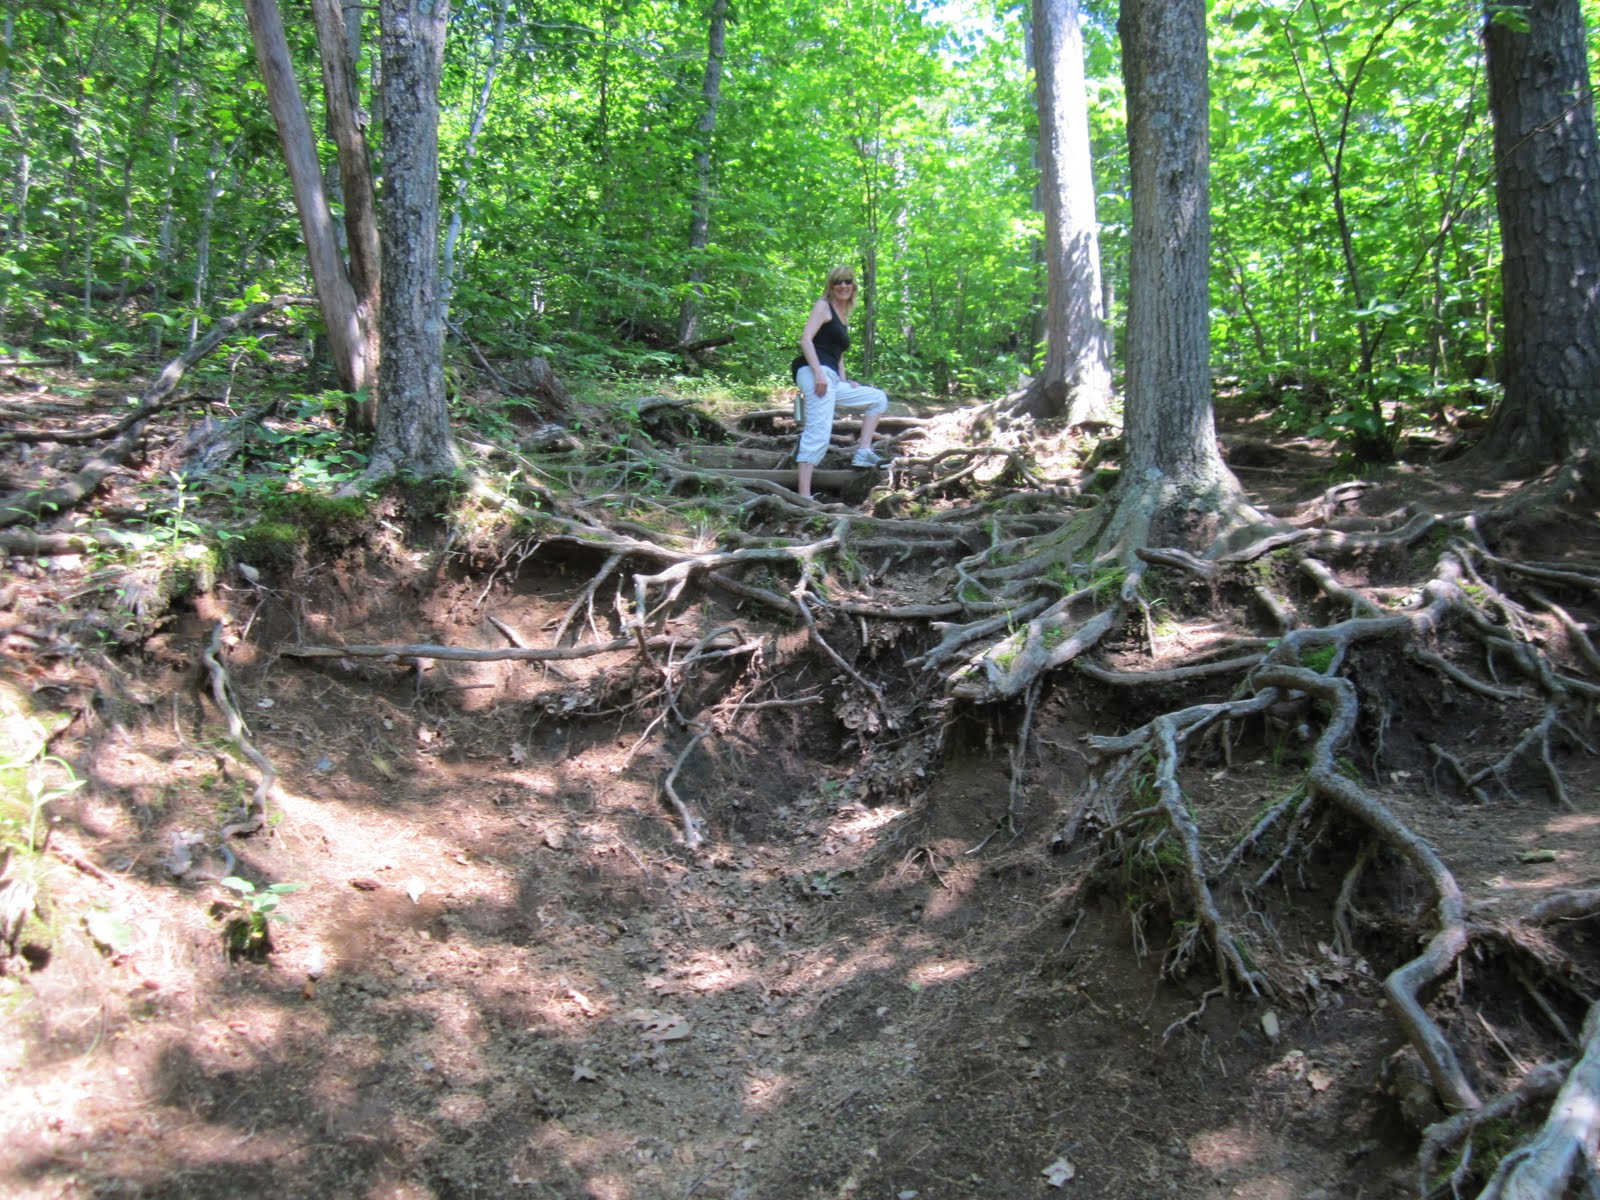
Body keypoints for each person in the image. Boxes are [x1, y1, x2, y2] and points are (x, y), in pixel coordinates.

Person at [789, 265, 889, 500]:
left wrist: (845, 381)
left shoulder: (843, 317)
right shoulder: (823, 307)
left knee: (877, 398)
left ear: (854, 287)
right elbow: (805, 340)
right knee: (818, 432)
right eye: (838, 282)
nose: (843, 286)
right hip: (813, 372)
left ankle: (863, 450)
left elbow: (838, 356)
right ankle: (804, 496)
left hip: (831, 377)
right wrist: (819, 375)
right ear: (831, 286)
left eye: (847, 282)